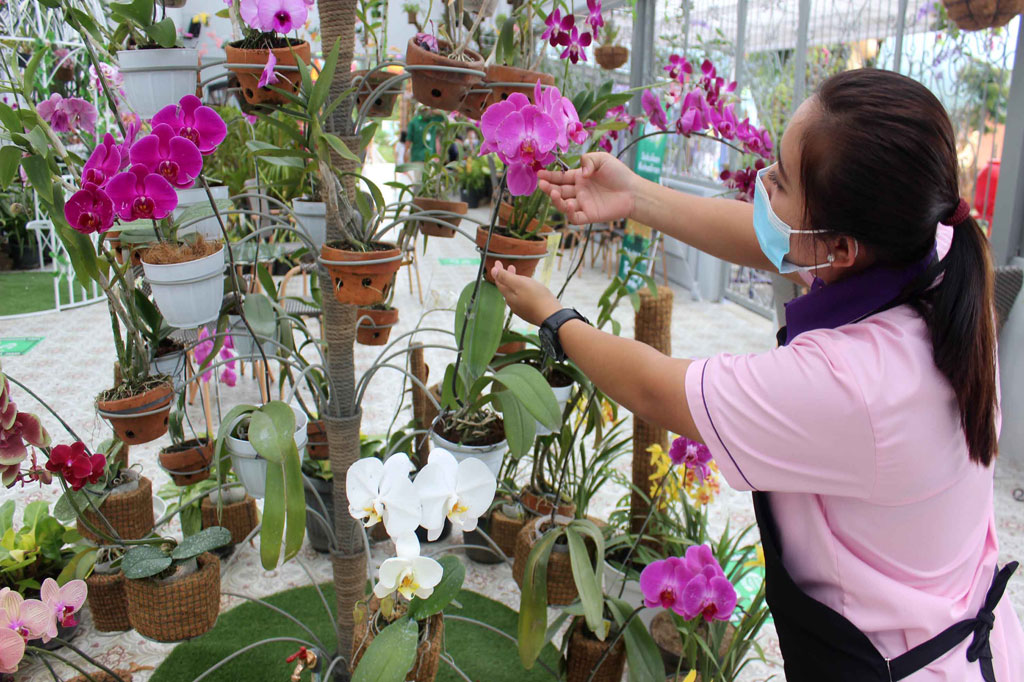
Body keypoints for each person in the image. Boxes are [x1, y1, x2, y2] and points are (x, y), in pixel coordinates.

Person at [490, 69, 1024, 681]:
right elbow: (778, 241)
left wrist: (555, 317)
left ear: (841, 248)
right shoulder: (933, 253)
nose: (763, 186)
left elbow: (655, 389)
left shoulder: (854, 383)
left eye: (782, 180)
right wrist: (635, 195)